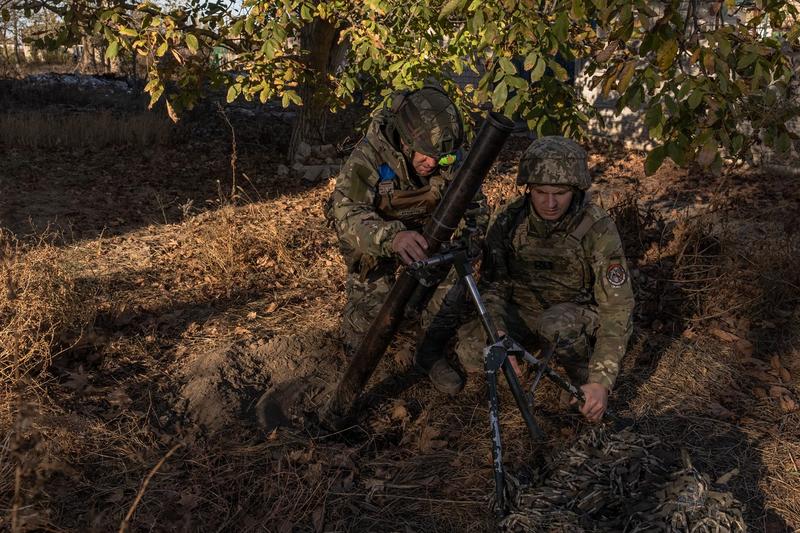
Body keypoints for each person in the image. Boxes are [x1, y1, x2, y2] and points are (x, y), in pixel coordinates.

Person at [455, 136, 634, 422]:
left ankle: (580, 374)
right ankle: (522, 359)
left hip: (572, 312)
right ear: (528, 189)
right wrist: (497, 332)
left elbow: (617, 308)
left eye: (560, 193)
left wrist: (602, 380)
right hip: (522, 311)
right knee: (470, 349)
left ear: (575, 189)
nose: (550, 203)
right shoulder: (509, 219)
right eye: (540, 192)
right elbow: (494, 286)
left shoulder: (596, 227)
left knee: (556, 325)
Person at [326, 85, 487, 395]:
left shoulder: (446, 153)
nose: (434, 163)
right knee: (370, 322)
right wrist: (393, 237)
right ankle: (360, 345)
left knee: (454, 287)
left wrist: (468, 243)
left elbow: (475, 205)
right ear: (405, 139)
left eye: (442, 158)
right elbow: (347, 215)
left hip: (429, 239)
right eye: (426, 155)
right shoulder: (369, 157)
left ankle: (428, 352)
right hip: (378, 245)